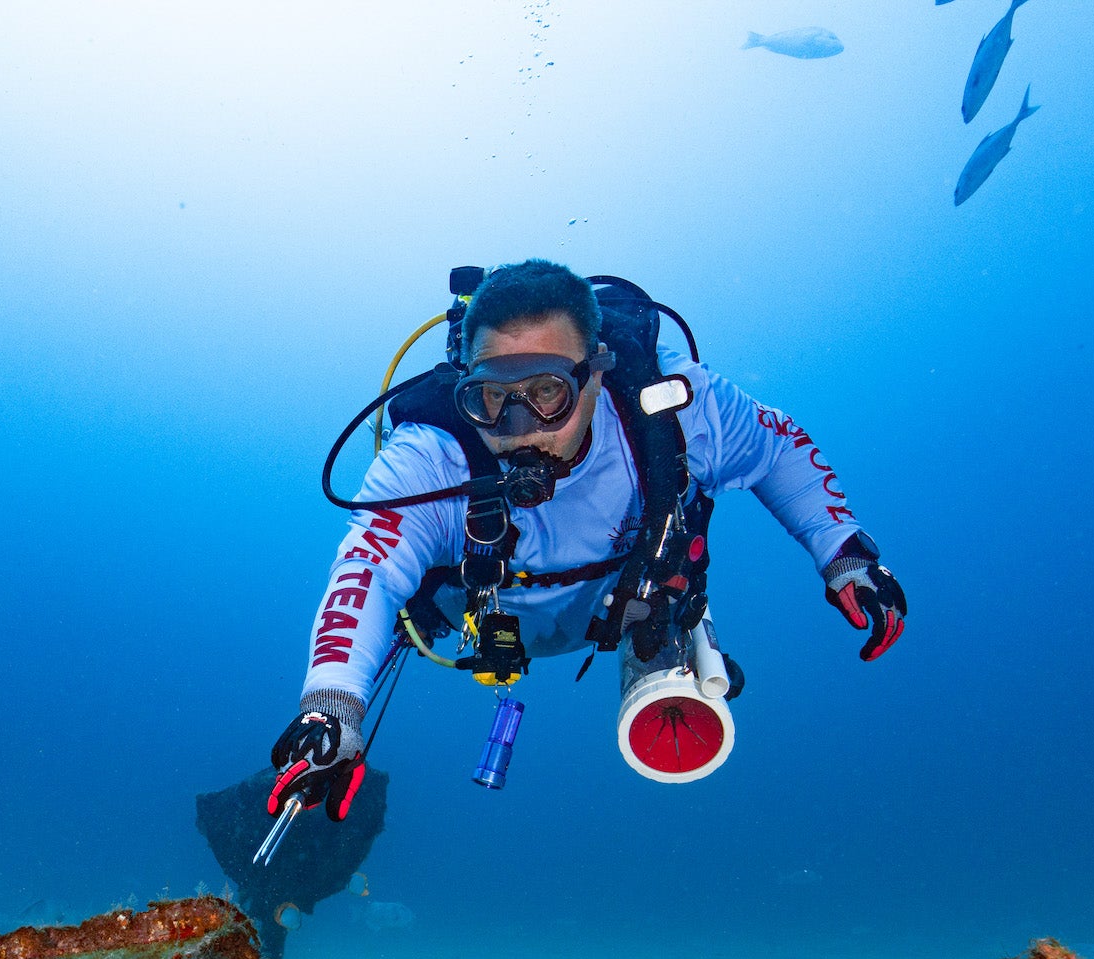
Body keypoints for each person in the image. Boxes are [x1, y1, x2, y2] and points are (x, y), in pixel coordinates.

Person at [266, 259, 905, 821]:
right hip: (483, 615)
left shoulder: (677, 409)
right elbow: (366, 568)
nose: (517, 427)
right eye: (492, 396)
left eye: (548, 392)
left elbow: (776, 450)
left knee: (663, 633)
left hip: (631, 602)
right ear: (466, 386)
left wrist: (843, 553)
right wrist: (332, 707)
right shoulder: (431, 457)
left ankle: (667, 650)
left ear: (596, 374)